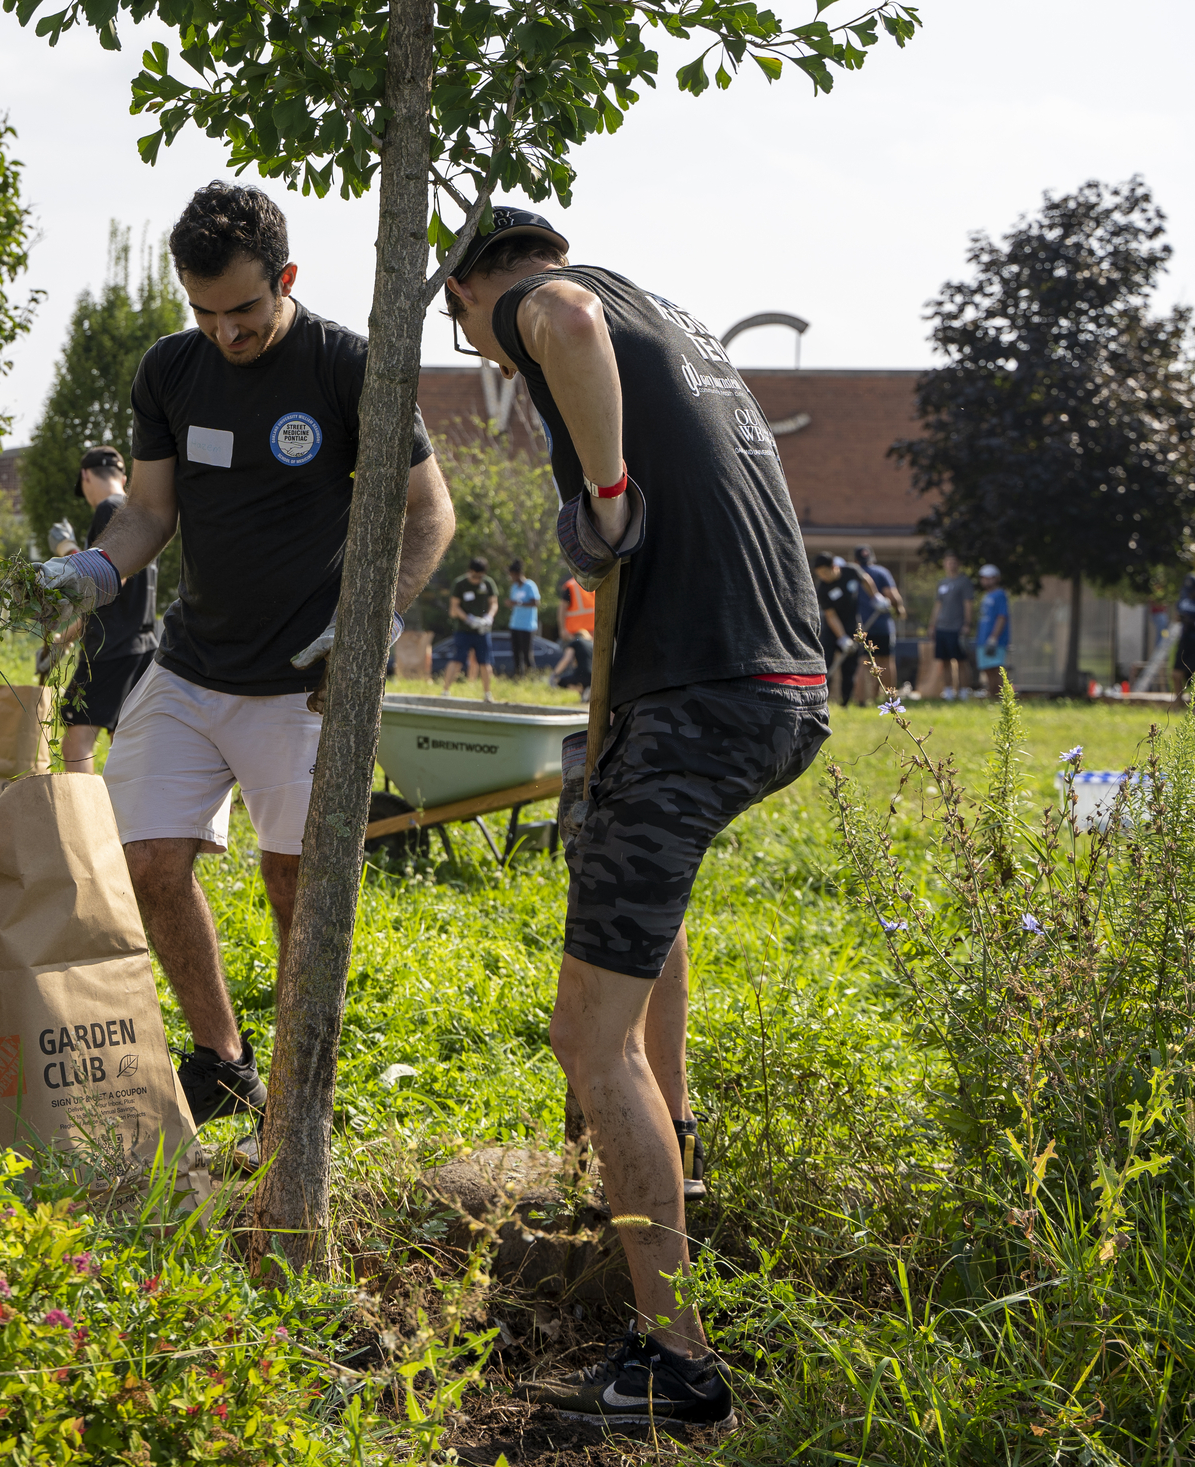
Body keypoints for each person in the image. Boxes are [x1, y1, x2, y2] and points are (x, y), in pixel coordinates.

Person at [447, 205, 826, 1427]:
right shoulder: (682, 327)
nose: (481, 353)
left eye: (464, 330)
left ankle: (678, 1365)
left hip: (702, 703)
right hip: (777, 690)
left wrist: (604, 499)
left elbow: (552, 318)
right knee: (646, 943)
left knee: (583, 1037)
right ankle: (673, 1153)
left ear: (477, 283)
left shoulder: (548, 301)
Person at [34, 180, 454, 1125]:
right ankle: (223, 1059)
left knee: (291, 877)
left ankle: (304, 1084)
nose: (226, 332)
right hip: (190, 664)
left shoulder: (350, 365)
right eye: (204, 311)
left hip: (306, 683)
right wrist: (96, 572)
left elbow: (430, 513)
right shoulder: (169, 371)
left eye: (245, 310)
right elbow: (149, 511)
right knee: (144, 864)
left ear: (286, 278)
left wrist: (369, 624)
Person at [41, 447, 159, 774]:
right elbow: (119, 591)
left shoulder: (108, 509)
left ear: (86, 476)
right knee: (125, 741)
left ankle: (82, 824)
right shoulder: (144, 516)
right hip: (143, 647)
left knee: (76, 739)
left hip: (111, 648)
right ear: (123, 477)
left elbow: (102, 586)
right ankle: (125, 822)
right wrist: (64, 638)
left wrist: (66, 560)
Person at [813, 552, 869, 707]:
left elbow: (866, 581)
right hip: (831, 631)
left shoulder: (851, 571)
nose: (823, 576)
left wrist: (876, 597)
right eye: (820, 574)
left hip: (853, 626)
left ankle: (845, 703)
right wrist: (842, 638)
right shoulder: (823, 589)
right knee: (827, 665)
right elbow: (831, 616)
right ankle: (823, 702)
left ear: (834, 567)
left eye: (825, 572)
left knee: (849, 668)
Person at [440, 559, 497, 698]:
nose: (477, 580)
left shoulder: (488, 583)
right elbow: (454, 605)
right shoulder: (460, 584)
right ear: (469, 572)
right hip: (463, 630)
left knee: (485, 662)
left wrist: (489, 617)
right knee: (457, 659)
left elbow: (494, 603)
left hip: (482, 631)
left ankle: (487, 694)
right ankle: (446, 691)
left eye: (480, 577)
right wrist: (468, 619)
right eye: (474, 576)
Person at [852, 545, 905, 683]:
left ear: (855, 560)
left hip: (861, 625)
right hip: (882, 625)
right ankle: (888, 697)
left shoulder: (853, 573)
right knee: (886, 660)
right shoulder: (881, 572)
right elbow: (892, 596)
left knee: (864, 662)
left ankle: (861, 700)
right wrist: (899, 610)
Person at [925, 554, 975, 700]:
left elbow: (968, 604)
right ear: (944, 564)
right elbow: (938, 605)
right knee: (944, 661)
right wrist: (932, 625)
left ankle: (964, 692)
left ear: (958, 564)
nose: (951, 565)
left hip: (957, 628)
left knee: (961, 661)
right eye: (948, 562)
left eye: (954, 562)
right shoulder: (942, 583)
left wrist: (967, 623)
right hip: (942, 628)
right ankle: (948, 693)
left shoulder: (964, 582)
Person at [975, 564, 1010, 698]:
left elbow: (1002, 617)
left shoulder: (1000, 595)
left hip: (995, 640)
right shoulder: (986, 596)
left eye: (990, 578)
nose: (987, 581)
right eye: (984, 578)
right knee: (987, 669)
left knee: (997, 669)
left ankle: (1000, 697)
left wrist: (994, 637)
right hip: (982, 639)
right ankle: (992, 695)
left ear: (997, 578)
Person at [506, 560, 542, 679]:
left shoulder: (530, 585)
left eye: (512, 575)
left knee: (526, 653)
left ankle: (532, 677)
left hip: (527, 625)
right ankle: (518, 676)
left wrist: (517, 603)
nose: (511, 577)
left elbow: (535, 602)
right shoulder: (514, 587)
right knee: (516, 653)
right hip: (515, 624)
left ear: (518, 574)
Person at [550, 629, 592, 698]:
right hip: (594, 676)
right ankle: (586, 692)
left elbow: (566, 660)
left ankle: (581, 691)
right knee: (582, 679)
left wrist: (554, 674)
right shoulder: (592, 644)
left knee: (560, 682)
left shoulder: (576, 643)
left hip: (583, 673)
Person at [557, 572, 596, 642]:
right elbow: (562, 608)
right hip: (575, 635)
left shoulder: (594, 584)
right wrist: (562, 630)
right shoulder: (571, 586)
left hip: (591, 633)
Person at [1177, 569, 1195, 701]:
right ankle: (1177, 706)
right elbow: (1179, 614)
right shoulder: (1185, 598)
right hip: (1186, 639)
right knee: (1176, 674)